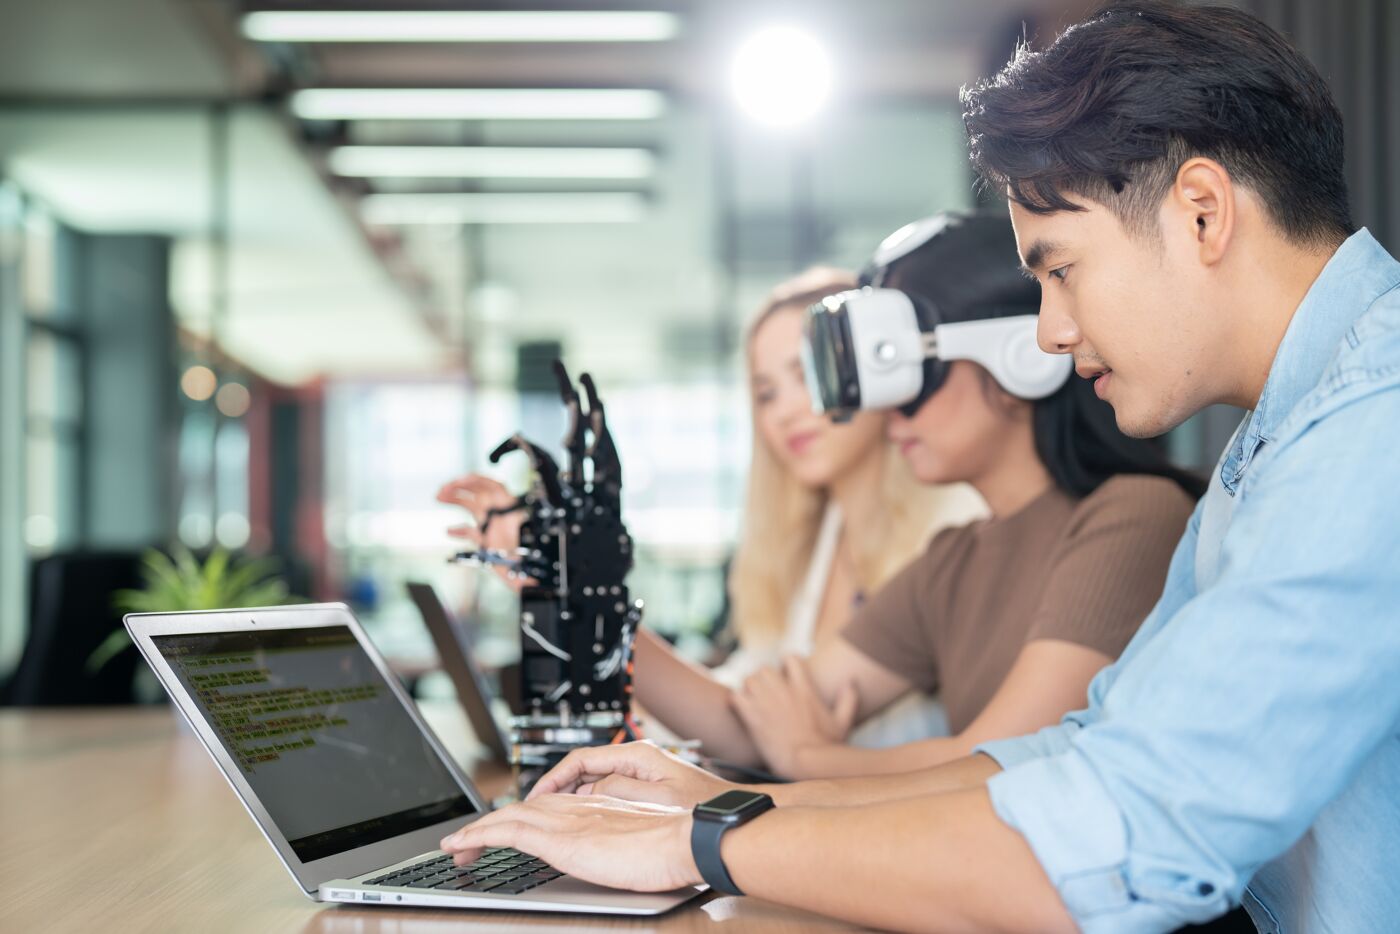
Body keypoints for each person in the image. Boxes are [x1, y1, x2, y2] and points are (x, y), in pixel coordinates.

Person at [435, 4, 1400, 932]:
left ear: (1201, 213)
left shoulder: (1372, 424)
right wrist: (730, 807)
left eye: (1060, 270)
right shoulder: (1273, 451)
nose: (1054, 333)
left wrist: (702, 845)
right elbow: (1077, 754)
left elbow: (1123, 838)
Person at [716, 212, 1204, 780]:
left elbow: (1000, 766)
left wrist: (810, 759)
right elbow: (756, 722)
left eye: (913, 374)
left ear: (1020, 359)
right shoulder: (953, 560)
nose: (886, 410)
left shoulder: (1135, 515)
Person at [438, 267, 986, 758]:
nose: (788, 410)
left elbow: (745, 730)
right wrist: (567, 590)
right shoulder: (820, 537)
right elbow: (742, 710)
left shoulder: (956, 530)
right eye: (766, 393)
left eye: (809, 373)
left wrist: (585, 599)